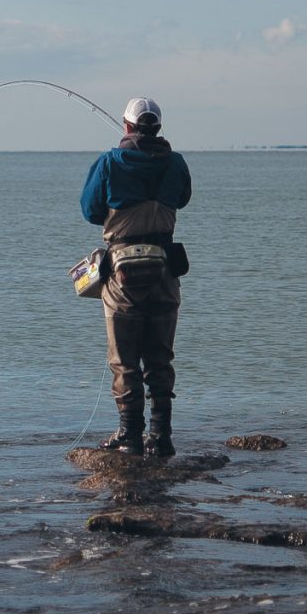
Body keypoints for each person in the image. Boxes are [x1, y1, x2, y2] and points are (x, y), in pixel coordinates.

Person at [79, 97, 192, 456]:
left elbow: (91, 210)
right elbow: (184, 198)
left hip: (122, 276)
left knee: (124, 359)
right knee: (160, 357)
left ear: (126, 126)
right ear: (157, 127)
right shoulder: (176, 164)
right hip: (164, 272)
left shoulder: (110, 162)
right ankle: (161, 436)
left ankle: (130, 434)